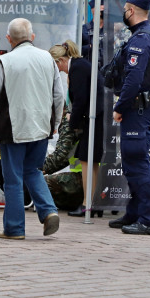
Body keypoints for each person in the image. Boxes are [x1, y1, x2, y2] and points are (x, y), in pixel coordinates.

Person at [0, 18, 65, 239]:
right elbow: (59, 95)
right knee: (33, 171)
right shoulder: (48, 59)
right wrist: (54, 123)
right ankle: (48, 211)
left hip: (12, 127)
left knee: (14, 177)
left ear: (9, 38)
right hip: (40, 126)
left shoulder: (3, 61)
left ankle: (14, 228)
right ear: (32, 37)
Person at [109, 0, 150, 236]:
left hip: (137, 107)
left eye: (125, 9)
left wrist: (120, 106)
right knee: (132, 161)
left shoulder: (141, 38)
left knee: (136, 160)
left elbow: (134, 78)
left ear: (130, 11)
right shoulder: (148, 34)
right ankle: (134, 213)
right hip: (141, 106)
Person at [49, 40, 106, 217]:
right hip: (95, 117)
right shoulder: (80, 66)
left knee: (86, 160)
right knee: (90, 160)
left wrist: (72, 125)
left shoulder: (77, 69)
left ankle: (87, 203)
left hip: (92, 118)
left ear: (60, 60)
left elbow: (80, 99)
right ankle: (92, 202)